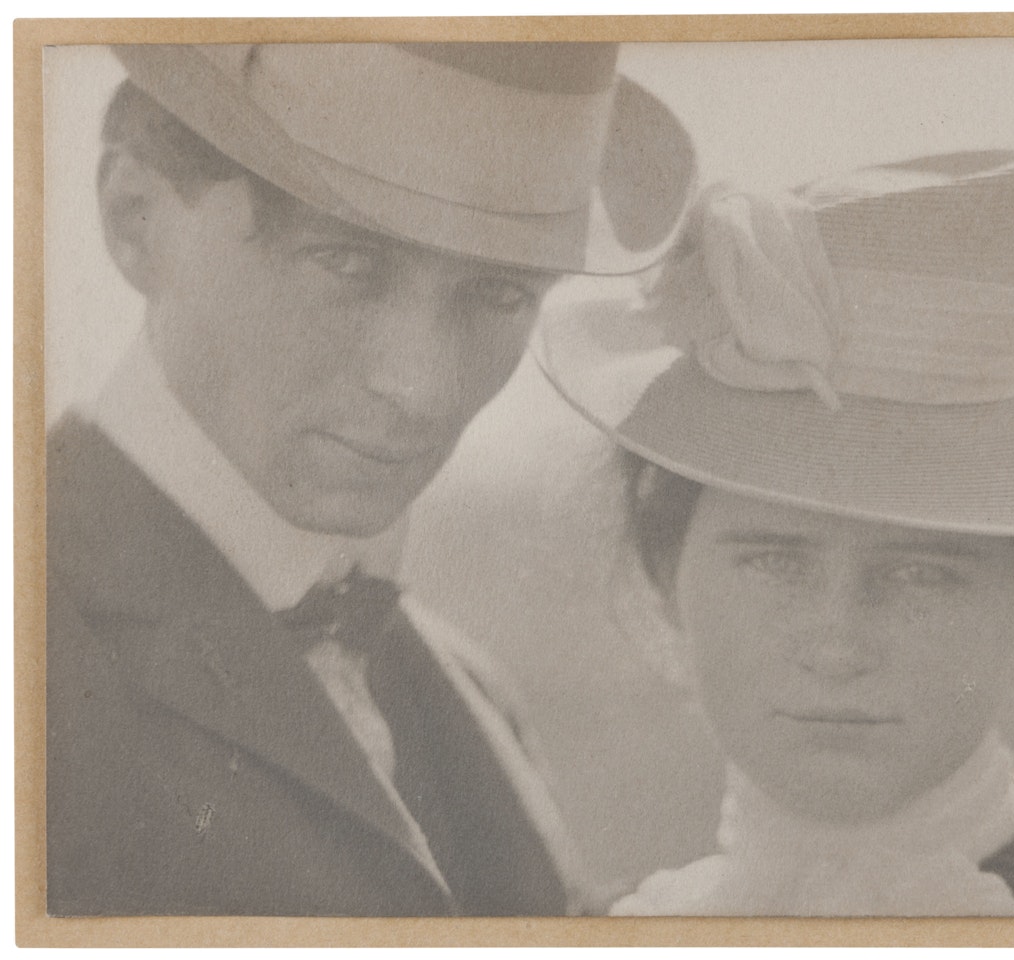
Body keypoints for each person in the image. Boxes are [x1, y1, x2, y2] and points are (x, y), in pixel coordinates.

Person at [45, 41, 695, 917]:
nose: (419, 386)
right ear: (137, 219)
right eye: (346, 265)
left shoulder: (467, 687)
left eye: (498, 295)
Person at [535, 151, 1014, 916]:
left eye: (920, 573)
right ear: (666, 575)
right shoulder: (600, 932)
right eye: (772, 561)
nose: (837, 647)